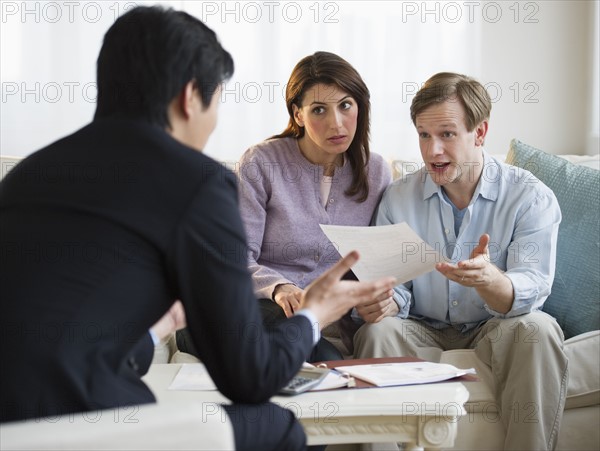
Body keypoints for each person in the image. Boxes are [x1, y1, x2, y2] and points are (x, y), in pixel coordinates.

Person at [0, 6, 396, 451]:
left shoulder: (28, 174)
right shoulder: (199, 181)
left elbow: (60, 334)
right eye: (217, 99)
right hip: (84, 425)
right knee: (282, 425)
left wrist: (153, 329)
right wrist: (312, 314)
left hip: (10, 427)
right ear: (191, 96)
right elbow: (250, 378)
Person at [352, 72, 568, 450]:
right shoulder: (398, 198)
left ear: (480, 133)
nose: (433, 151)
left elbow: (532, 288)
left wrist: (491, 280)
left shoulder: (530, 198)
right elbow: (396, 289)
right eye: (423, 135)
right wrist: (386, 301)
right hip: (421, 326)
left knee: (540, 328)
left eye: (447, 135)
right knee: (376, 331)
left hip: (495, 326)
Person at [234, 51, 393, 360]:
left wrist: (383, 299)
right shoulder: (261, 162)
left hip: (332, 321)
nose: (336, 123)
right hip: (266, 307)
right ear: (298, 115)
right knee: (308, 344)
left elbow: (376, 263)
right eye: (319, 109)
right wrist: (280, 288)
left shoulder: (376, 171)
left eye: (345, 105)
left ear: (360, 106)